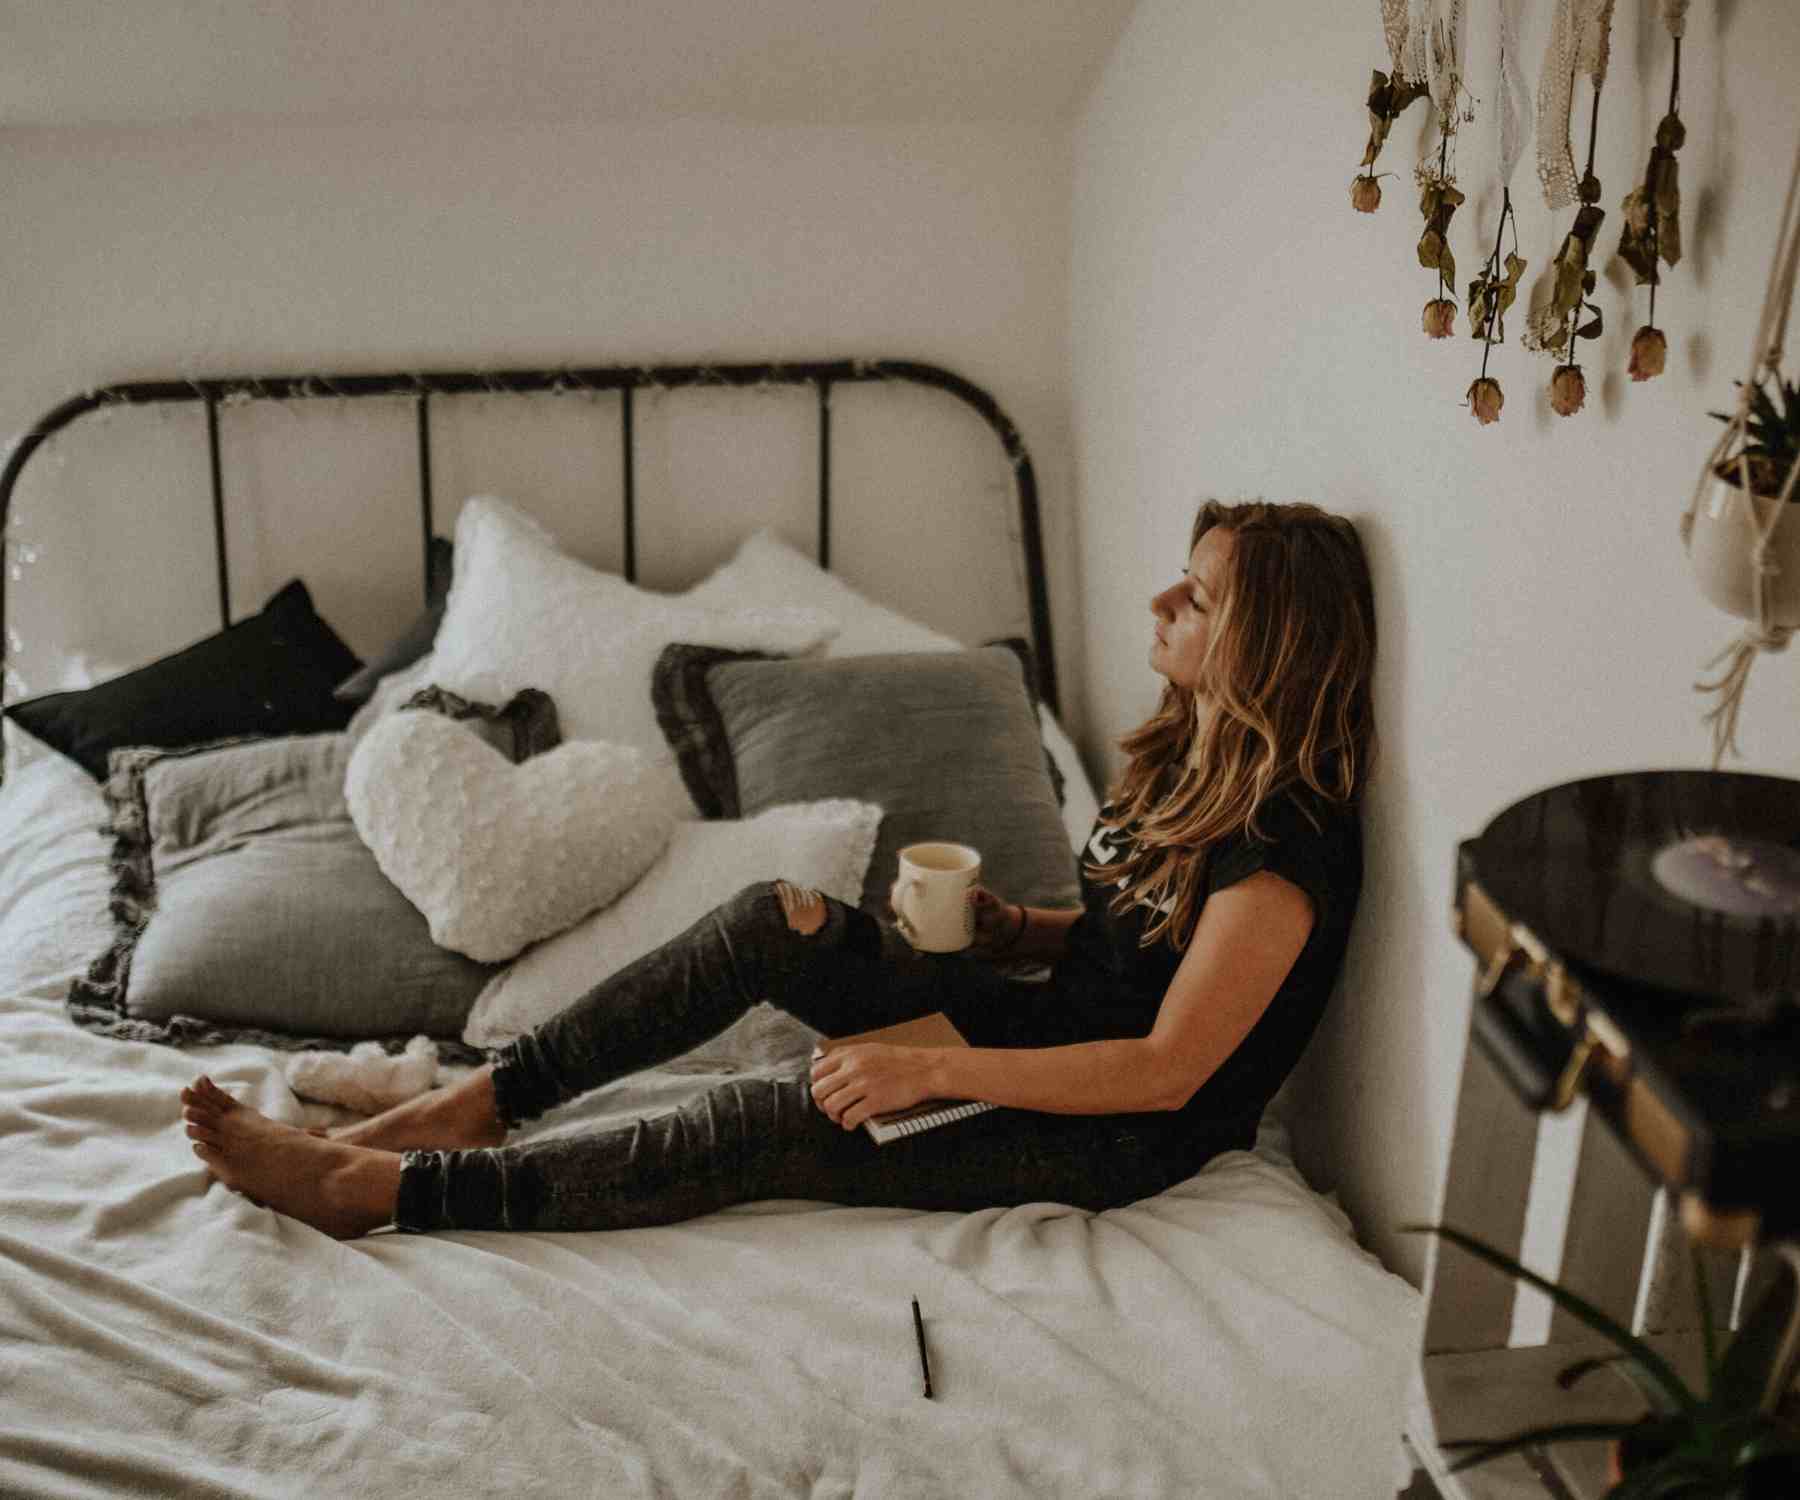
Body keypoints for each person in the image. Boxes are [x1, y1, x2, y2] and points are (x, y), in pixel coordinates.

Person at [179, 499, 1377, 1239]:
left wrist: (921, 1067)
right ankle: (475, 1105)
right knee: (777, 922)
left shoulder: (1285, 850)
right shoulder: (1184, 760)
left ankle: (386, 1195)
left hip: (1111, 1133)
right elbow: (1139, 949)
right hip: (1034, 1031)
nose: (1163, 598)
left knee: (776, 1115)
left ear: (1263, 643)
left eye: (1200, 595)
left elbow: (1168, 1071)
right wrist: (1026, 928)